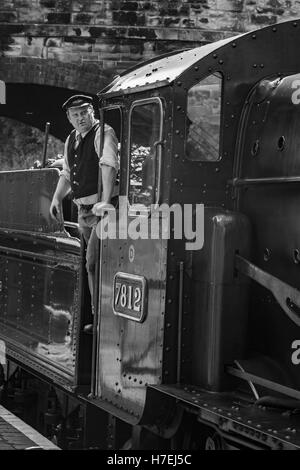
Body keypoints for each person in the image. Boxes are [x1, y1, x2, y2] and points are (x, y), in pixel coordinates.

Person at [49, 94, 118, 331]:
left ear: (92, 112)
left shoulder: (103, 132)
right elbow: (68, 173)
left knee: (93, 262)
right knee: (92, 266)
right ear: (69, 118)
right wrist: (57, 197)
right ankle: (96, 317)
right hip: (84, 212)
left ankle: (101, 321)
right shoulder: (71, 139)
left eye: (83, 113)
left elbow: (109, 164)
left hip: (106, 212)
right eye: (75, 115)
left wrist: (106, 201)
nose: (80, 118)